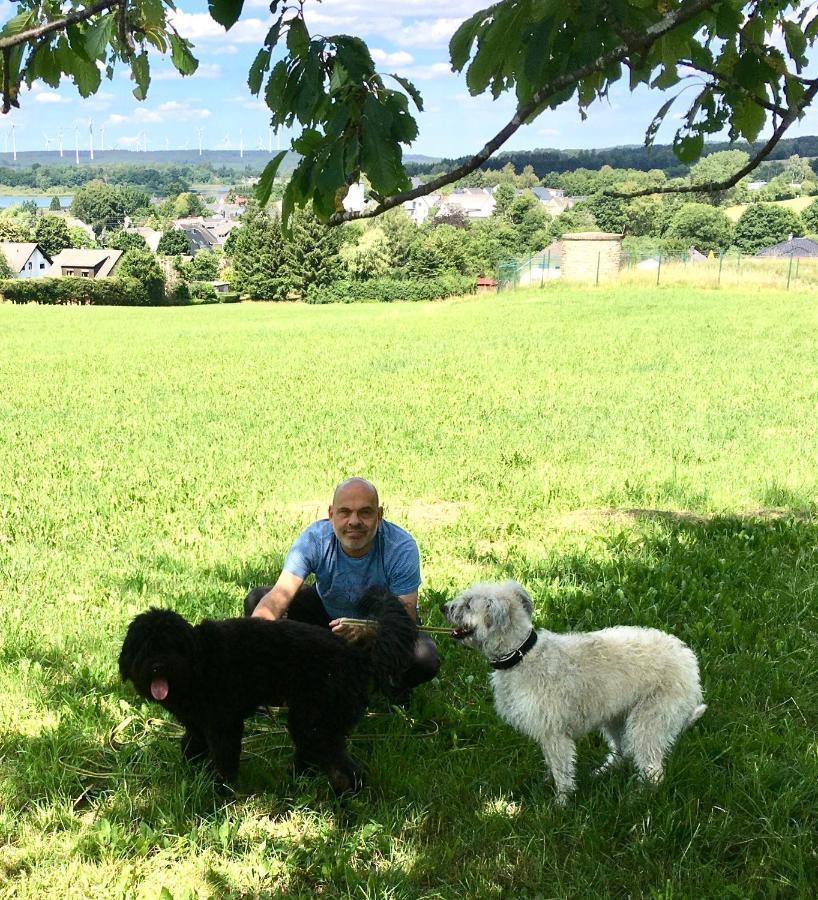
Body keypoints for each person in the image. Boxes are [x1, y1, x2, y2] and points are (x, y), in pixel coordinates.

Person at [244, 477, 440, 696]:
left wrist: (369, 632)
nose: (354, 521)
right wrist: (249, 644)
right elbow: (278, 597)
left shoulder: (401, 547)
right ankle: (287, 680)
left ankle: (387, 684)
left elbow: (407, 618)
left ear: (380, 515)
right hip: (326, 618)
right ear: (331, 514)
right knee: (257, 603)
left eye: (365, 512)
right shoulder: (315, 539)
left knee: (423, 656)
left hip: (381, 627)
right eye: (345, 512)